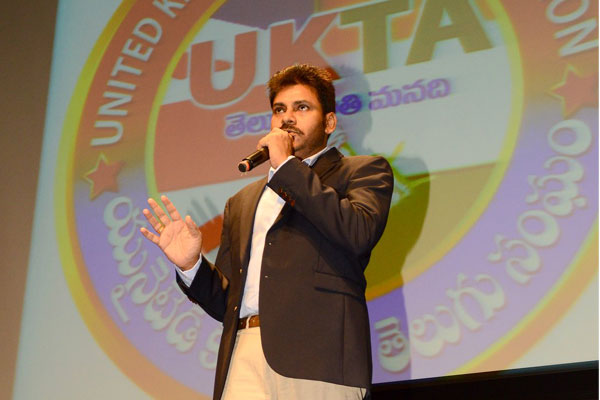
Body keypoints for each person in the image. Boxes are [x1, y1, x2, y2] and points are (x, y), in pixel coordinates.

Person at [140, 64, 394, 400]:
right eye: (279, 110)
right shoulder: (243, 201)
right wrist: (191, 267)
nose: (288, 118)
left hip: (319, 360)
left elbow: (357, 232)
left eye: (302, 108)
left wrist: (287, 168)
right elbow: (227, 303)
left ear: (330, 122)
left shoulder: (362, 171)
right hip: (244, 355)